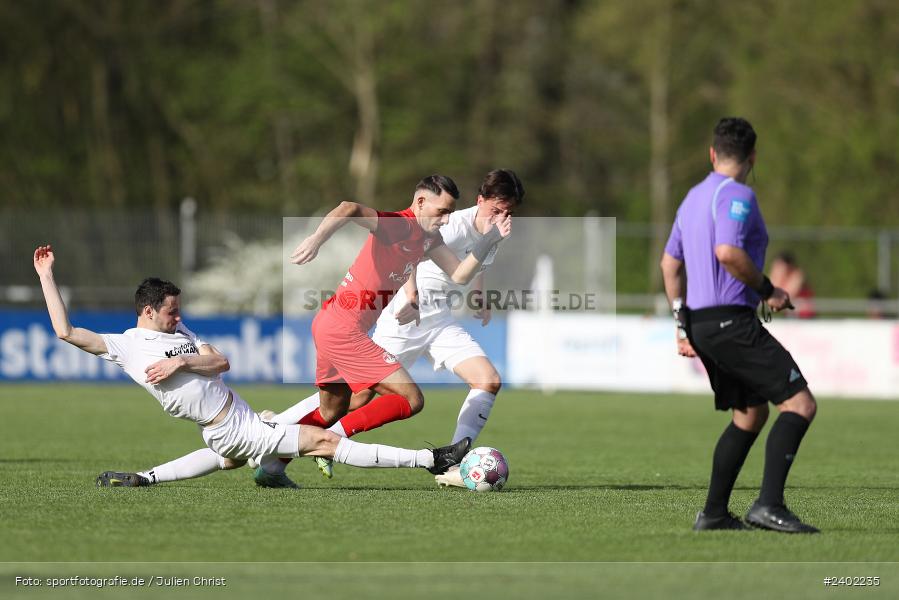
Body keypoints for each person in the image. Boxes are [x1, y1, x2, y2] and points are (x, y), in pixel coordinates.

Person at [32, 245, 471, 488]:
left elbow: (221, 360)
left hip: (233, 422)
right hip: (231, 425)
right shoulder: (127, 345)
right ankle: (430, 459)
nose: (178, 316)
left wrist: (183, 360)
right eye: (171, 310)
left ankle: (152, 478)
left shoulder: (182, 335)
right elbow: (67, 332)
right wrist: (46, 276)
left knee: (228, 460)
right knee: (323, 441)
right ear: (147, 312)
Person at [259, 169, 524, 488]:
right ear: (423, 202)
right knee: (388, 399)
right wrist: (316, 240)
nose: (445, 219)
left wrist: (488, 247)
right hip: (374, 324)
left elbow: (460, 274)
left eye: (449, 213)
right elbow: (352, 209)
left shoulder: (440, 233)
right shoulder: (413, 224)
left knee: (337, 407)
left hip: (410, 321)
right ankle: (279, 437)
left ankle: (273, 460)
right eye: (442, 212)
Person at [659, 117, 819, 533]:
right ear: (752, 157)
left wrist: (681, 325)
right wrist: (769, 289)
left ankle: (713, 515)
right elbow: (727, 251)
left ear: (712, 154)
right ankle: (768, 505)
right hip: (730, 320)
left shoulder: (691, 198)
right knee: (800, 405)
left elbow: (669, 264)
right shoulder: (738, 196)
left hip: (701, 323)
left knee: (749, 415)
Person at [769, 251, 816, 318]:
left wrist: (777, 278)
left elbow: (786, 296)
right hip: (790, 316)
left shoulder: (798, 275)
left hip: (805, 316)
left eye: (779, 266)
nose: (776, 269)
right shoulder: (780, 278)